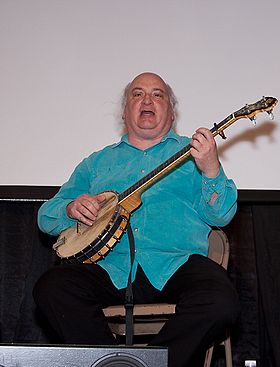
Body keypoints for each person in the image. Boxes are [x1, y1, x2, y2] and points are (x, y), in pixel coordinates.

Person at [33, 72, 240, 367]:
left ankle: (145, 364)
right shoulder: (96, 163)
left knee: (221, 301)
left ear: (171, 111)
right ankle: (113, 362)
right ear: (124, 111)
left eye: (158, 95)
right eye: (137, 93)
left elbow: (222, 214)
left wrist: (211, 169)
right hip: (109, 267)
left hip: (176, 263)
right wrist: (70, 209)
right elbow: (45, 217)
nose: (147, 100)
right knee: (52, 288)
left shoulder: (194, 155)